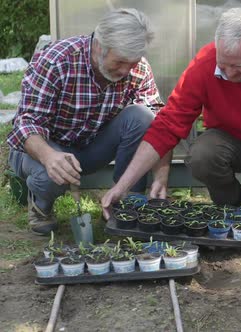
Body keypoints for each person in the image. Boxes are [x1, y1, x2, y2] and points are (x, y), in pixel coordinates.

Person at [101, 7, 241, 240]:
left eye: (240, 66)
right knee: (201, 154)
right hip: (228, 140)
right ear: (217, 47)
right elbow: (167, 125)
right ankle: (231, 207)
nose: (230, 73)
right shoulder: (204, 63)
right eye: (224, 64)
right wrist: (122, 187)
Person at [7, 8, 165, 235]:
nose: (125, 70)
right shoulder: (58, 60)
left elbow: (160, 126)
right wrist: (50, 157)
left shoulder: (137, 68)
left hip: (90, 148)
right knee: (46, 175)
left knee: (144, 117)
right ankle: (42, 205)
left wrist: (161, 175)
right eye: (119, 62)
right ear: (100, 46)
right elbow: (26, 123)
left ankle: (126, 201)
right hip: (44, 148)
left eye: (132, 63)